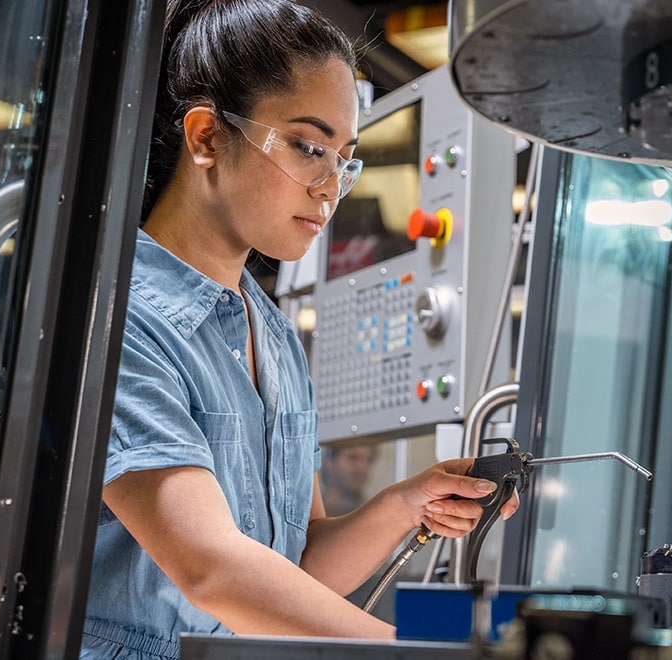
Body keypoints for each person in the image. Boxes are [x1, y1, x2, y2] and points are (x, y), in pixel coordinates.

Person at [81, 1, 518, 658]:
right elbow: (211, 566)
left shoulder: (277, 337)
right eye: (309, 147)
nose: (330, 186)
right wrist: (417, 651)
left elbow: (296, 565)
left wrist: (406, 503)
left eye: (345, 158)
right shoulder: (123, 315)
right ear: (205, 137)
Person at [320, 444, 377, 516]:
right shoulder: (310, 513)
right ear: (329, 462)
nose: (362, 467)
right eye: (353, 458)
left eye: (368, 460)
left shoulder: (374, 513)